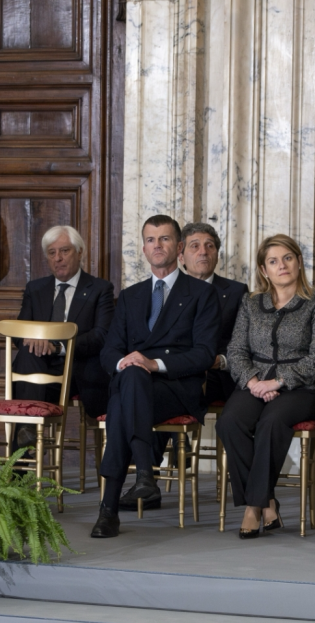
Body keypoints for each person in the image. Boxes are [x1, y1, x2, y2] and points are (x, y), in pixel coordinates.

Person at [91, 215, 220, 538]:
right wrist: (128, 363)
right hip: (135, 384)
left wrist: (153, 363)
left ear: (178, 248)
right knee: (131, 381)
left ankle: (108, 509)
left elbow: (204, 353)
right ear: (144, 249)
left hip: (174, 389)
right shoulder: (131, 296)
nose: (157, 245)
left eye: (164, 239)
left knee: (124, 403)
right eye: (150, 240)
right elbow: (109, 351)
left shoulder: (202, 294)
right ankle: (145, 474)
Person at [216, 235, 315, 539]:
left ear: (298, 261)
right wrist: (254, 382)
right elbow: (237, 350)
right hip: (256, 382)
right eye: (273, 261)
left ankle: (253, 508)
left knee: (270, 422)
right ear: (263, 270)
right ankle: (268, 502)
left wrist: (279, 381)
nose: (282, 265)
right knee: (230, 421)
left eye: (288, 258)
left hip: (304, 389)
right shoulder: (251, 303)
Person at [11, 226, 115, 452]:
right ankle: (28, 436)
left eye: (64, 251)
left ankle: (22, 455)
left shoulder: (100, 289)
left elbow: (101, 336)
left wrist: (58, 347)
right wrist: (33, 340)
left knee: (28, 376)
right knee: (28, 351)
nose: (58, 258)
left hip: (79, 373)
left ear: (80, 252)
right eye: (51, 253)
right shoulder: (35, 288)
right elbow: (20, 332)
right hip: (40, 372)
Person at [178, 222, 248, 404]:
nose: (203, 252)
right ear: (181, 256)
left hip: (217, 374)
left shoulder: (236, 292)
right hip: (176, 370)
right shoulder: (169, 291)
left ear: (217, 255)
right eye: (194, 246)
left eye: (210, 246)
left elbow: (245, 341)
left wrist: (221, 361)